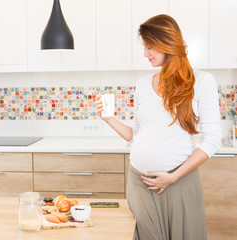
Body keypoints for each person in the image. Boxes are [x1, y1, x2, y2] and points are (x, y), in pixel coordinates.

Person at [95, 14, 221, 240]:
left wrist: (173, 178)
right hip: (138, 180)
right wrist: (109, 119)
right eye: (144, 47)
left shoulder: (202, 82)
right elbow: (136, 134)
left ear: (168, 43)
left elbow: (212, 141)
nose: (145, 54)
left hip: (178, 181)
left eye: (149, 47)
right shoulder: (142, 83)